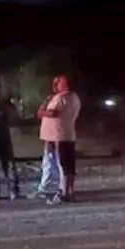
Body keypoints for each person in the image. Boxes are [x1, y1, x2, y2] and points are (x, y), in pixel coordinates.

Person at [37, 75, 82, 204]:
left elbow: (52, 113)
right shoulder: (74, 97)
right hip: (64, 135)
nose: (56, 85)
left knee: (64, 165)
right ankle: (69, 191)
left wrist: (42, 111)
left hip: (60, 136)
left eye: (58, 83)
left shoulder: (63, 98)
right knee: (67, 165)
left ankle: (64, 193)